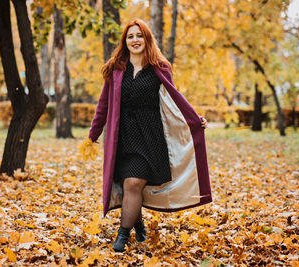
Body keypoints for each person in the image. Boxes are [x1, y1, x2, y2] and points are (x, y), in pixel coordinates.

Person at [88, 19, 212, 252]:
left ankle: (122, 236)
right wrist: (93, 134)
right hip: (121, 138)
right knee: (128, 187)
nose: (135, 40)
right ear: (125, 41)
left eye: (139, 36)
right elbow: (103, 105)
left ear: (147, 39)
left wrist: (194, 119)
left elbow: (174, 100)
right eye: (130, 36)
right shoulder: (116, 69)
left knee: (133, 182)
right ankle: (137, 221)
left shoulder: (160, 68)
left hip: (150, 138)